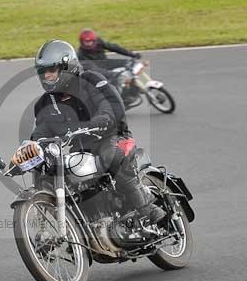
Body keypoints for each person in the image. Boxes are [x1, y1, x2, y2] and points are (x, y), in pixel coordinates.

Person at [13, 39, 164, 224]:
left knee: (111, 156)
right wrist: (30, 150)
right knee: (51, 171)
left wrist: (103, 118)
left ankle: (148, 207)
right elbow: (41, 132)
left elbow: (110, 103)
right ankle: (81, 226)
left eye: (51, 70)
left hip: (111, 136)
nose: (47, 76)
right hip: (81, 150)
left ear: (66, 66)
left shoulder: (91, 80)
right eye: (43, 72)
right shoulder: (44, 103)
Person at [77, 28, 143, 105]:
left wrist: (132, 54)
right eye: (86, 42)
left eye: (90, 41)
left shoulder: (99, 42)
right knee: (115, 79)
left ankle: (133, 89)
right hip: (97, 70)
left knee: (128, 63)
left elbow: (114, 47)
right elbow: (93, 69)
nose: (89, 44)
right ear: (82, 42)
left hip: (106, 63)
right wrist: (111, 73)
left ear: (94, 40)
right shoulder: (80, 55)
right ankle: (118, 101)